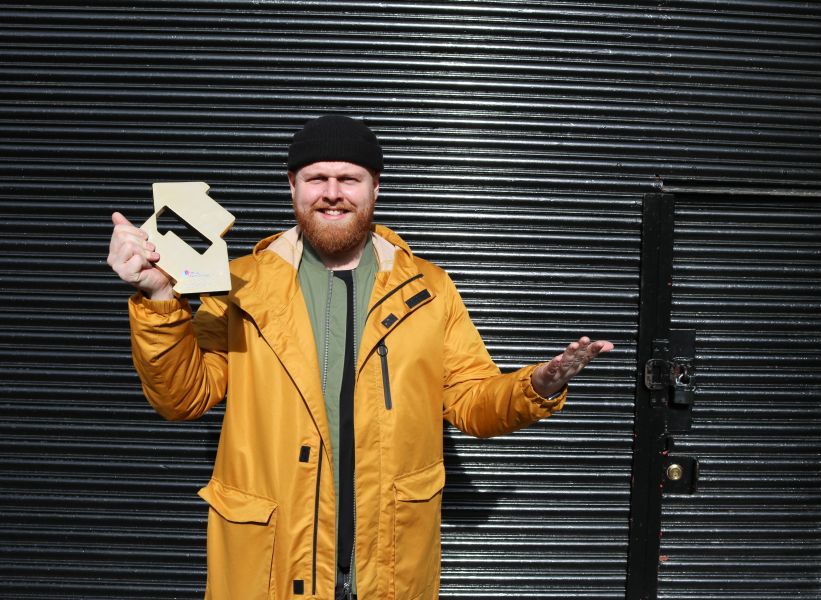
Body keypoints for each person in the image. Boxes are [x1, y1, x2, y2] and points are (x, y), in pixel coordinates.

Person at [107, 115, 614, 600]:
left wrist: (538, 384)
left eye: (349, 178)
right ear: (292, 186)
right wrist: (157, 298)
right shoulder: (239, 286)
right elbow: (181, 397)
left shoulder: (429, 290)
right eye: (316, 178)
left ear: (376, 188)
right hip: (273, 560)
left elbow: (469, 399)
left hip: (388, 562)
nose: (332, 192)